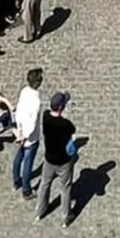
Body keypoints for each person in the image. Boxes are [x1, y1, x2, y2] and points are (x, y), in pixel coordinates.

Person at [36, 91, 78, 227]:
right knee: (65, 188)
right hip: (63, 162)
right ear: (61, 107)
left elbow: (50, 114)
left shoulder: (45, 117)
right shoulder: (65, 124)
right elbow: (72, 130)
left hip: (49, 159)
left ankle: (40, 211)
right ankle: (66, 217)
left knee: (44, 184)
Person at [13, 68, 44, 198]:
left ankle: (16, 181)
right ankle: (26, 190)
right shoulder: (37, 102)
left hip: (20, 132)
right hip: (30, 137)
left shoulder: (24, 91)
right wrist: (25, 136)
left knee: (18, 158)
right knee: (28, 163)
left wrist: (19, 131)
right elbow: (33, 123)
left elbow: (18, 111)